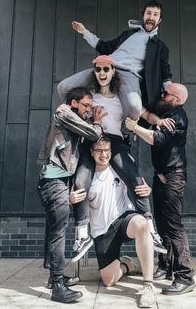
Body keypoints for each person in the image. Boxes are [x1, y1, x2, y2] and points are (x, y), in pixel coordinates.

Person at [69, 55, 167, 263]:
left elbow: (146, 114)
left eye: (106, 69)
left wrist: (159, 121)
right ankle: (81, 235)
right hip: (92, 142)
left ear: (113, 72)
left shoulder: (122, 98)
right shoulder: (91, 96)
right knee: (79, 183)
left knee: (137, 181)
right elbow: (74, 106)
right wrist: (66, 109)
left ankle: (150, 230)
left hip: (116, 142)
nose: (102, 74)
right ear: (94, 73)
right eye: (98, 70)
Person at [125, 83, 196, 295]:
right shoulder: (165, 112)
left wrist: (134, 127)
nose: (161, 95)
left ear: (175, 99)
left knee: (173, 226)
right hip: (162, 176)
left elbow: (157, 139)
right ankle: (165, 266)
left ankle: (185, 276)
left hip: (173, 177)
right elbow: (146, 110)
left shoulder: (177, 118)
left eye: (165, 93)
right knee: (162, 226)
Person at [70, 135, 156, 308]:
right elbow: (74, 202)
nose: (103, 155)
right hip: (101, 231)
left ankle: (148, 286)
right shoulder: (86, 177)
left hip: (124, 219)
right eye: (99, 151)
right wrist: (69, 200)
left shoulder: (121, 169)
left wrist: (147, 188)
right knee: (108, 281)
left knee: (142, 225)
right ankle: (127, 265)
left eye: (106, 151)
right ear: (91, 152)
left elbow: (139, 185)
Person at [37, 87, 106, 303]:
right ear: (74, 103)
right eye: (86, 105)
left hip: (58, 181)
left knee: (53, 230)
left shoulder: (69, 117)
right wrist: (96, 121)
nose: (89, 109)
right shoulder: (65, 114)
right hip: (53, 182)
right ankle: (58, 286)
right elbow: (95, 134)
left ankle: (53, 278)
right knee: (58, 233)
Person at [57, 0, 172, 122]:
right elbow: (105, 47)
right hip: (107, 67)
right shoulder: (128, 34)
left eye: (155, 14)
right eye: (148, 13)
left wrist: (170, 89)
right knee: (63, 87)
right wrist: (84, 32)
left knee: (134, 108)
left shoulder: (160, 47)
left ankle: (124, 131)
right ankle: (77, 120)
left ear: (159, 20)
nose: (151, 17)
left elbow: (165, 72)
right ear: (143, 15)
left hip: (129, 75)